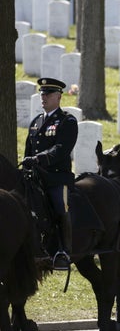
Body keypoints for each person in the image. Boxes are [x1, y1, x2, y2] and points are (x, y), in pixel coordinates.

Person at [23, 77, 78, 270]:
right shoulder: (36, 122)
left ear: (58, 97)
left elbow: (61, 149)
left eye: (48, 94)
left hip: (56, 178)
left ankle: (64, 251)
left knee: (60, 206)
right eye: (42, 93)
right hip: (35, 177)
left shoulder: (67, 121)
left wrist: (39, 159)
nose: (43, 97)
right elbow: (28, 152)